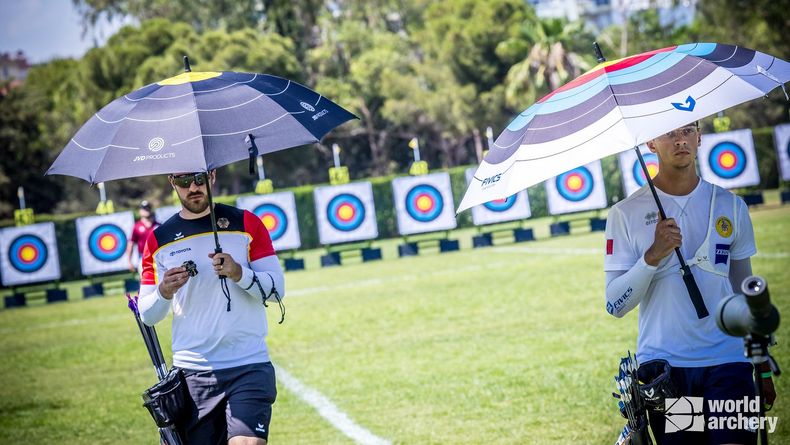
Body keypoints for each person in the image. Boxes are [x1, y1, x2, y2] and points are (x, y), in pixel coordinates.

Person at [603, 122, 776, 444]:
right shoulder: (624, 213)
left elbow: (744, 293)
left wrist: (762, 366)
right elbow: (615, 304)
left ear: (699, 137)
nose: (680, 139)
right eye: (668, 132)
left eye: (688, 130)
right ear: (651, 143)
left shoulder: (731, 205)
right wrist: (652, 256)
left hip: (730, 361)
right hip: (667, 369)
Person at [138, 170, 285, 445]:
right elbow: (148, 314)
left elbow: (276, 290)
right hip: (193, 373)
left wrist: (239, 273)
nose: (192, 187)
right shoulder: (158, 240)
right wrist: (163, 291)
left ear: (212, 176)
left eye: (198, 178)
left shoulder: (247, 223)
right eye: (183, 181)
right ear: (172, 182)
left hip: (249, 365)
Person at [127, 200, 160, 273]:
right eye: (144, 208)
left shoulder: (158, 225)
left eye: (148, 208)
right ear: (140, 211)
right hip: (143, 258)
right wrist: (129, 261)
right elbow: (131, 244)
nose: (146, 210)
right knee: (146, 282)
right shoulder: (136, 227)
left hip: (159, 257)